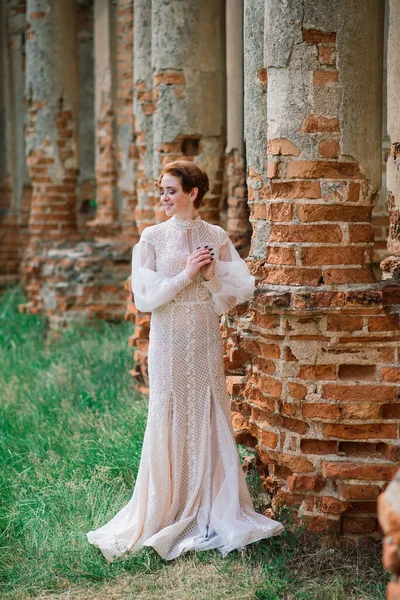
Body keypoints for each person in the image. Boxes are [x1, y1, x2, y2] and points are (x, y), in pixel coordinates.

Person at [86, 160, 283, 562]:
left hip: (203, 334)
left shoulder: (215, 235)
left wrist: (210, 275)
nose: (163, 198)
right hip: (168, 337)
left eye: (171, 190)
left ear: (193, 194)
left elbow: (234, 294)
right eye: (162, 190)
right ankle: (167, 506)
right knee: (169, 409)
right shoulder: (152, 237)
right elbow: (146, 299)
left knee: (208, 408)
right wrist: (186, 274)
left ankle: (212, 506)